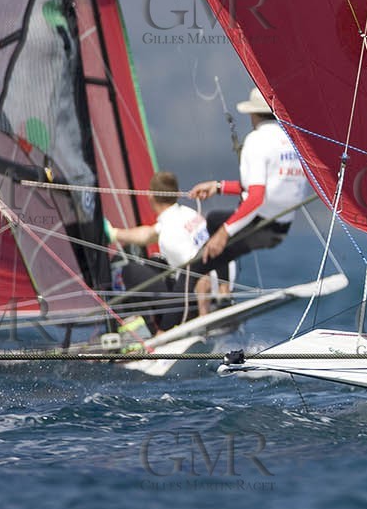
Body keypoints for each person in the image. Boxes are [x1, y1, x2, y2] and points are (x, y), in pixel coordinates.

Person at [186, 87, 311, 315]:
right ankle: (223, 293)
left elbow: (256, 197)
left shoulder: (256, 140)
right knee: (214, 223)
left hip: (260, 226)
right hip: (282, 228)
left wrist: (223, 234)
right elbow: (266, 187)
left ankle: (165, 329)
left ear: (253, 115)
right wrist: (218, 187)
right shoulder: (291, 139)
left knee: (195, 267)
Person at [108, 171, 210, 330]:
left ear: (150, 195)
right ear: (176, 193)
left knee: (128, 270)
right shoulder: (187, 214)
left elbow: (200, 273)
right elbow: (148, 234)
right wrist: (114, 233)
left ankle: (150, 331)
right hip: (214, 289)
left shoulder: (170, 236)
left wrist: (205, 318)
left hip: (196, 301)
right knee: (155, 261)